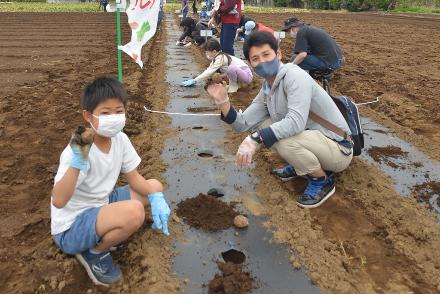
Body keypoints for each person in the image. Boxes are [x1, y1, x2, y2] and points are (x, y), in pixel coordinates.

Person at [205, 31, 353, 208]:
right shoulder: (268, 87)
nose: (262, 62)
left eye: (266, 55)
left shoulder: (295, 76)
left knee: (279, 138)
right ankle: (300, 164)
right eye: (255, 59)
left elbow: (295, 122)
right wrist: (223, 101)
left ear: (279, 54)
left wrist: (255, 139)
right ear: (250, 64)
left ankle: (321, 180)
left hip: (338, 148)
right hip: (313, 139)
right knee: (261, 126)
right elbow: (243, 123)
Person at [50, 76, 171, 286]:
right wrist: (77, 163)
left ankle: (107, 228)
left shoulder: (120, 140)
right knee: (135, 212)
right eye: (105, 113)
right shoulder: (78, 150)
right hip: (71, 227)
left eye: (119, 111)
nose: (114, 117)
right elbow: (58, 201)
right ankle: (95, 253)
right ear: (88, 116)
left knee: (154, 186)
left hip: (100, 202)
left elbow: (134, 177)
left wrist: (156, 196)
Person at [180, 38, 252, 93]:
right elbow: (209, 68)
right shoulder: (217, 57)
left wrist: (195, 80)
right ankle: (236, 84)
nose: (206, 54)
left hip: (246, 75)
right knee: (229, 70)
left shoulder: (220, 58)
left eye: (207, 52)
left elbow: (209, 71)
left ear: (214, 51)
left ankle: (234, 86)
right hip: (240, 74)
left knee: (231, 68)